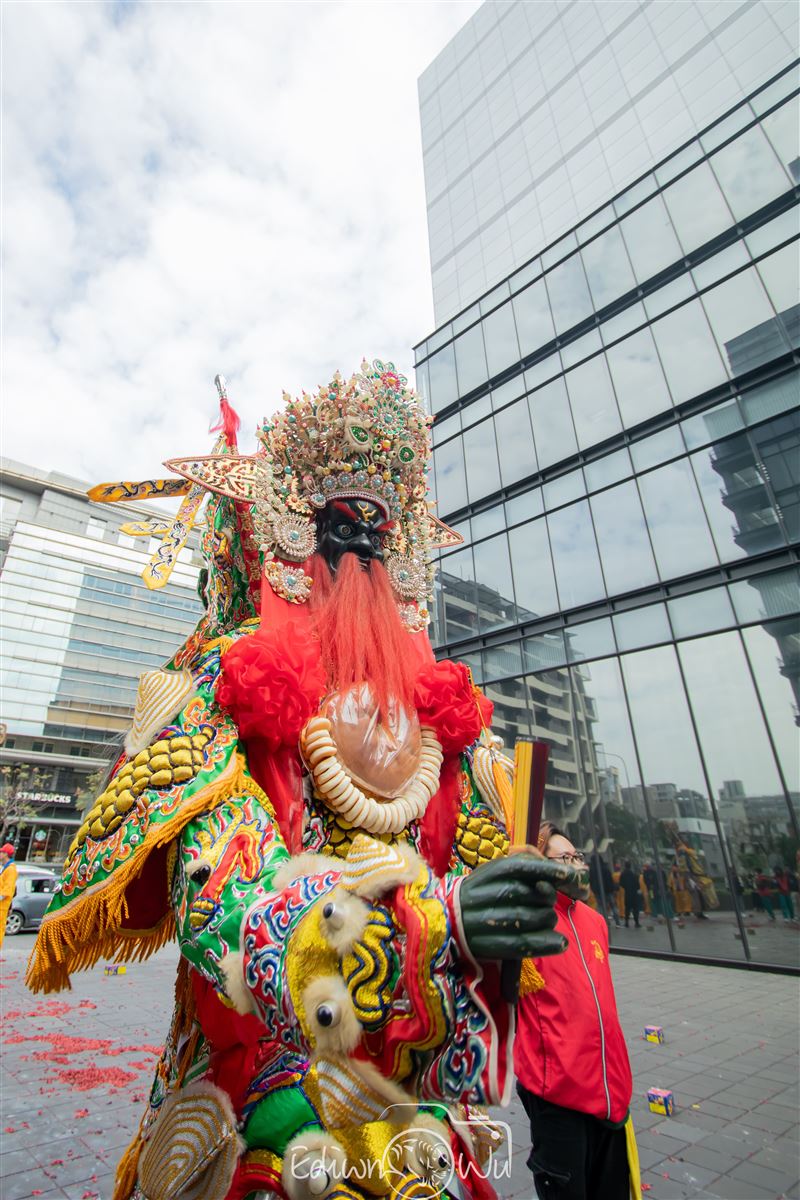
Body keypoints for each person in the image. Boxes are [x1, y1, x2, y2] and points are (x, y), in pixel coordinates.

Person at [28, 362, 578, 1200]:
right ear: (288, 537)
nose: (359, 556)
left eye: (377, 539)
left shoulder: (443, 724)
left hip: (411, 1111)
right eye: (335, 530)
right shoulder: (229, 686)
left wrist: (522, 887)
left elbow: (486, 899)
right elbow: (223, 917)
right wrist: (441, 922)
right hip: (261, 1108)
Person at [515, 822, 638, 1200]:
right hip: (558, 1096)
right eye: (563, 858)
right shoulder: (524, 923)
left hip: (611, 1093)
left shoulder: (595, 922)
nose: (575, 865)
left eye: (577, 857)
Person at [0, 843, 17, 950]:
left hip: (1, 907)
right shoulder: (5, 868)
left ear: (6, 854)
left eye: (1, 852)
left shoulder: (11, 869)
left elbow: (8, 891)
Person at [619, 860, 641, 928]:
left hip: (627, 893)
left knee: (627, 909)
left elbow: (621, 883)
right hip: (634, 894)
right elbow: (638, 885)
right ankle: (636, 922)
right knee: (635, 908)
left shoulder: (622, 874)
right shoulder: (634, 874)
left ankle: (626, 922)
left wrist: (626, 887)